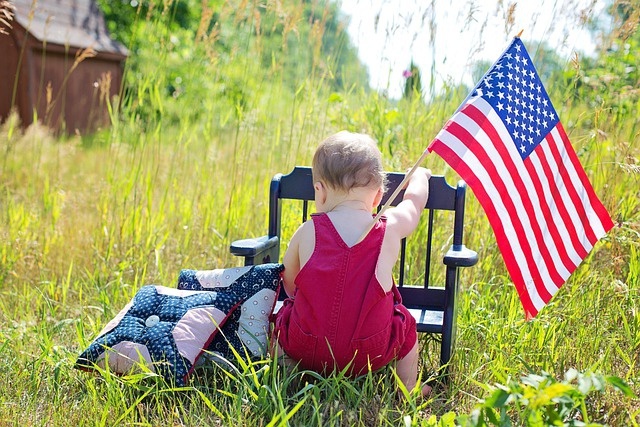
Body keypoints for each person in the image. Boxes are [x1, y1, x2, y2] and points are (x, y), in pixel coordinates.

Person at [272, 130, 432, 397]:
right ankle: (409, 389)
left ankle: (285, 378)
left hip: (308, 347)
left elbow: (288, 282)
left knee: (281, 320)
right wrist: (419, 177)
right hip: (370, 351)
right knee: (405, 324)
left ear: (319, 192)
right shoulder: (389, 227)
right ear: (379, 196)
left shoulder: (308, 231)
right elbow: (413, 206)